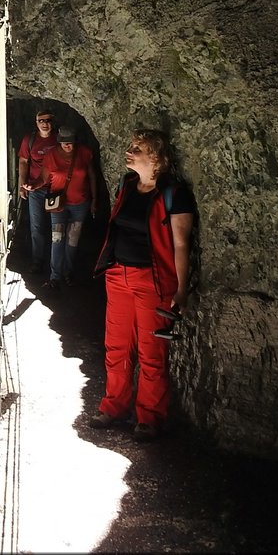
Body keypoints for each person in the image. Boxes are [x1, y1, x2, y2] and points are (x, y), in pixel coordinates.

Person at [89, 128, 195, 443]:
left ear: (156, 159)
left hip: (152, 281)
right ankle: (114, 406)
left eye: (138, 147)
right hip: (118, 276)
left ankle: (149, 417)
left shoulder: (174, 194)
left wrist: (181, 288)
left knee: (152, 352)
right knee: (116, 346)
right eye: (131, 144)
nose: (130, 150)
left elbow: (180, 245)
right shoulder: (126, 185)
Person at [39, 126, 98, 289]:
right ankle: (55, 276)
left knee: (72, 240)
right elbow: (44, 177)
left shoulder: (85, 153)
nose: (67, 146)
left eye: (70, 143)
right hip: (59, 205)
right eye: (64, 143)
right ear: (59, 142)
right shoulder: (51, 155)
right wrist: (31, 185)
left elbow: (92, 176)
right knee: (57, 239)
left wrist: (94, 200)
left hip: (80, 203)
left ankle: (67, 272)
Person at [17, 109, 60, 277]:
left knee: (56, 227)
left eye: (48, 120)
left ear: (52, 121)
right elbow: (23, 161)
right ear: (36, 123)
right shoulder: (30, 140)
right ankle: (37, 261)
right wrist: (22, 185)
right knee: (37, 227)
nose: (44, 123)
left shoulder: (59, 139)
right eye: (41, 120)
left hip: (56, 189)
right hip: (36, 189)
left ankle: (54, 262)